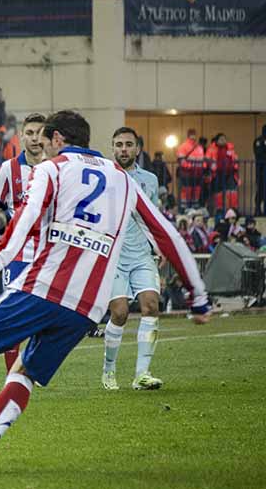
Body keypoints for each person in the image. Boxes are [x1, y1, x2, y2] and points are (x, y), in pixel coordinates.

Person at [0, 110, 211, 474]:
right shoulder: (125, 181)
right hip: (86, 306)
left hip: (42, 286)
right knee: (25, 373)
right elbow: (168, 235)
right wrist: (198, 295)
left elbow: (26, 216)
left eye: (45, 140)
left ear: (56, 140)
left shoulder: (50, 169)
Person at [0, 113, 46, 372]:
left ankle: (33, 366)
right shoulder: (9, 169)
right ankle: (13, 375)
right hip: (18, 252)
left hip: (50, 252)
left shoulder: (56, 166)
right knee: (15, 313)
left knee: (45, 314)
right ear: (21, 135)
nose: (35, 138)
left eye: (40, 132)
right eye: (30, 133)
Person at [101, 127, 164, 391]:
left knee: (151, 306)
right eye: (119, 144)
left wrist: (160, 246)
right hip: (113, 256)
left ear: (137, 148)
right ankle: (109, 370)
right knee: (120, 313)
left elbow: (154, 217)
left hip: (141, 255)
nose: (123, 149)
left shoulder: (150, 180)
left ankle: (142, 374)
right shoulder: (103, 177)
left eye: (128, 144)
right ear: (113, 148)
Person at [176, 129, 205, 210]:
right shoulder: (184, 146)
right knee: (186, 192)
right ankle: (185, 209)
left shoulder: (199, 147)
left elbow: (202, 160)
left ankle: (193, 208)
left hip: (197, 174)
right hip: (187, 173)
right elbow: (182, 161)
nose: (193, 136)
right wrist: (191, 166)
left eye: (194, 134)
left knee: (196, 191)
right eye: (192, 134)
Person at [255, 125, 266, 216]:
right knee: (261, 190)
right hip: (261, 170)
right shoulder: (259, 141)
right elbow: (259, 154)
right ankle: (258, 210)